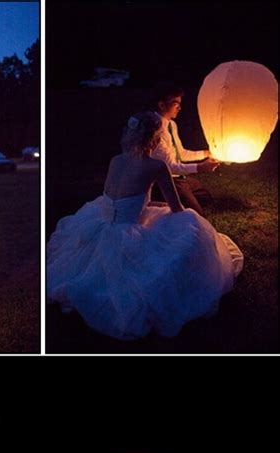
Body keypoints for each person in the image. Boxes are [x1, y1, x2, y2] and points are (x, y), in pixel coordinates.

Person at [47, 111, 243, 341]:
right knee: (190, 225)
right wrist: (163, 209)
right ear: (156, 138)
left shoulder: (116, 161)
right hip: (127, 231)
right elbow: (176, 207)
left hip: (103, 220)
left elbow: (122, 199)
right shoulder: (156, 166)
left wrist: (149, 206)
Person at [150, 82, 219, 216]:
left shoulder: (171, 124)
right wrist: (200, 167)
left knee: (205, 197)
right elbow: (170, 167)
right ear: (162, 104)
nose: (180, 107)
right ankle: (161, 194)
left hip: (179, 177)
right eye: (176, 103)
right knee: (198, 216)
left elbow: (180, 154)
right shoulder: (154, 128)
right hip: (166, 179)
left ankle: (178, 197)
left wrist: (206, 153)